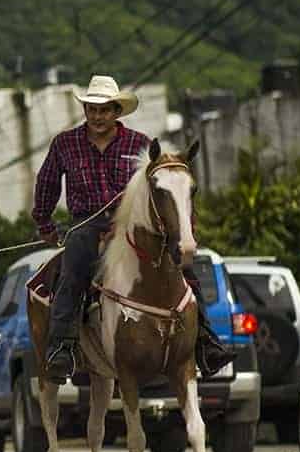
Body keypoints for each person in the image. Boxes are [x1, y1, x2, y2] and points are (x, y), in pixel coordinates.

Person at [31, 75, 236, 384]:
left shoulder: (139, 144)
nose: (97, 116)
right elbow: (46, 182)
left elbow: (164, 192)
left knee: (183, 267)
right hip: (86, 224)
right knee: (73, 269)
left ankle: (207, 343)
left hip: (133, 224)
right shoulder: (65, 143)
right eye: (92, 109)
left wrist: (178, 230)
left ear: (117, 111)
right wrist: (44, 223)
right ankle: (62, 348)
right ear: (85, 110)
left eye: (104, 110)